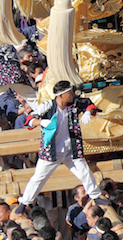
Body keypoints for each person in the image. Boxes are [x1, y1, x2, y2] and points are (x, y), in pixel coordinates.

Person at [15, 81, 103, 212]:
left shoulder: (73, 104)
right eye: (69, 93)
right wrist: (41, 122)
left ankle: (96, 196)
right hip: (52, 151)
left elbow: (88, 104)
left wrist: (88, 112)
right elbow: (29, 119)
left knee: (85, 172)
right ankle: (24, 203)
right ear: (61, 95)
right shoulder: (48, 106)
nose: (72, 95)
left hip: (71, 149)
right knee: (39, 177)